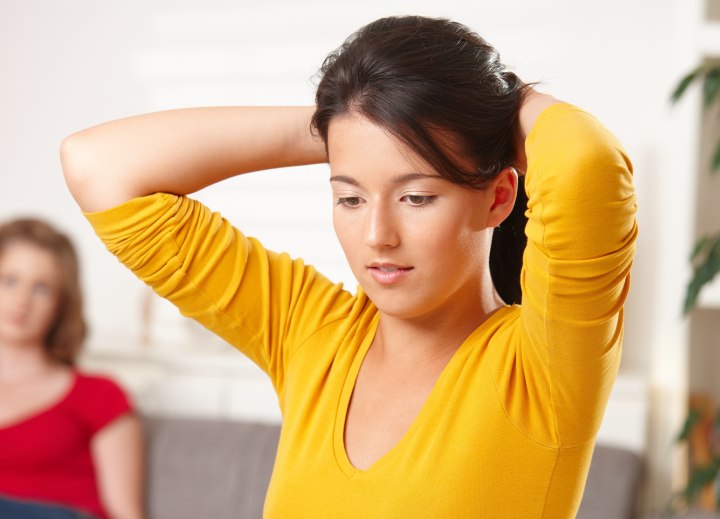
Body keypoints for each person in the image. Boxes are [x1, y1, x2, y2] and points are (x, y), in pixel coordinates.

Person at [60, 15, 637, 519]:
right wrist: (350, 127)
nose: (377, 237)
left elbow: (585, 161)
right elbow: (98, 166)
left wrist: (491, 106)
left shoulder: (545, 369)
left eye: (416, 197)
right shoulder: (310, 335)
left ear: (498, 198)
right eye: (350, 197)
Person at [0, 218, 145, 519]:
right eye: (9, 281)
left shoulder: (99, 395)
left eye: (41, 288)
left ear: (61, 304)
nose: (21, 300)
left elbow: (127, 513)